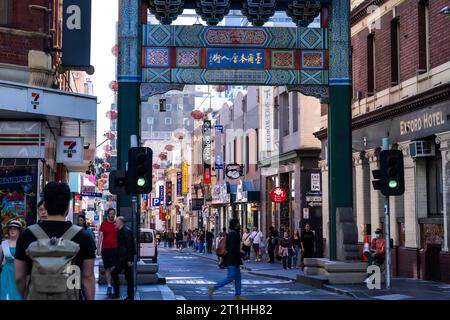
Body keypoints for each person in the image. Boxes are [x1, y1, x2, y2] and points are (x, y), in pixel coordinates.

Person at [14, 182, 96, 300]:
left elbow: (19, 277)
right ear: (67, 207)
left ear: (45, 206)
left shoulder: (27, 235)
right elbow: (87, 277)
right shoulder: (83, 236)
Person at [208, 218, 244, 300]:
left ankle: (238, 295)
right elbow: (232, 248)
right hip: (231, 259)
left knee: (238, 277)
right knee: (231, 277)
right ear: (235, 225)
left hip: (235, 259)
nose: (239, 225)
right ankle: (213, 287)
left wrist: (240, 254)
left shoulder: (234, 233)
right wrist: (241, 254)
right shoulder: (233, 234)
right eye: (238, 223)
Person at [111, 217, 135, 300]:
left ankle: (125, 295)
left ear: (121, 222)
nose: (115, 223)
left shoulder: (126, 231)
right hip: (121, 257)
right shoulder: (119, 231)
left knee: (127, 277)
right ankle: (124, 294)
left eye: (116, 222)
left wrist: (130, 259)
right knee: (127, 277)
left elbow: (130, 246)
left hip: (125, 258)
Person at [0, 220, 23, 300]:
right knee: (4, 294)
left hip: (20, 272)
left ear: (19, 231)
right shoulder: (3, 244)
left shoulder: (23, 244)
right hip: (6, 273)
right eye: (10, 229)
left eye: (15, 228)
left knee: (18, 294)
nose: (12, 230)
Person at [98, 208, 118, 296]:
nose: (112, 215)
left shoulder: (117, 223)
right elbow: (100, 237)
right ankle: (109, 285)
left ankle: (115, 284)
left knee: (114, 267)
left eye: (113, 214)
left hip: (115, 249)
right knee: (107, 268)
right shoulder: (104, 224)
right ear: (108, 214)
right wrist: (98, 248)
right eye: (110, 214)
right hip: (105, 249)